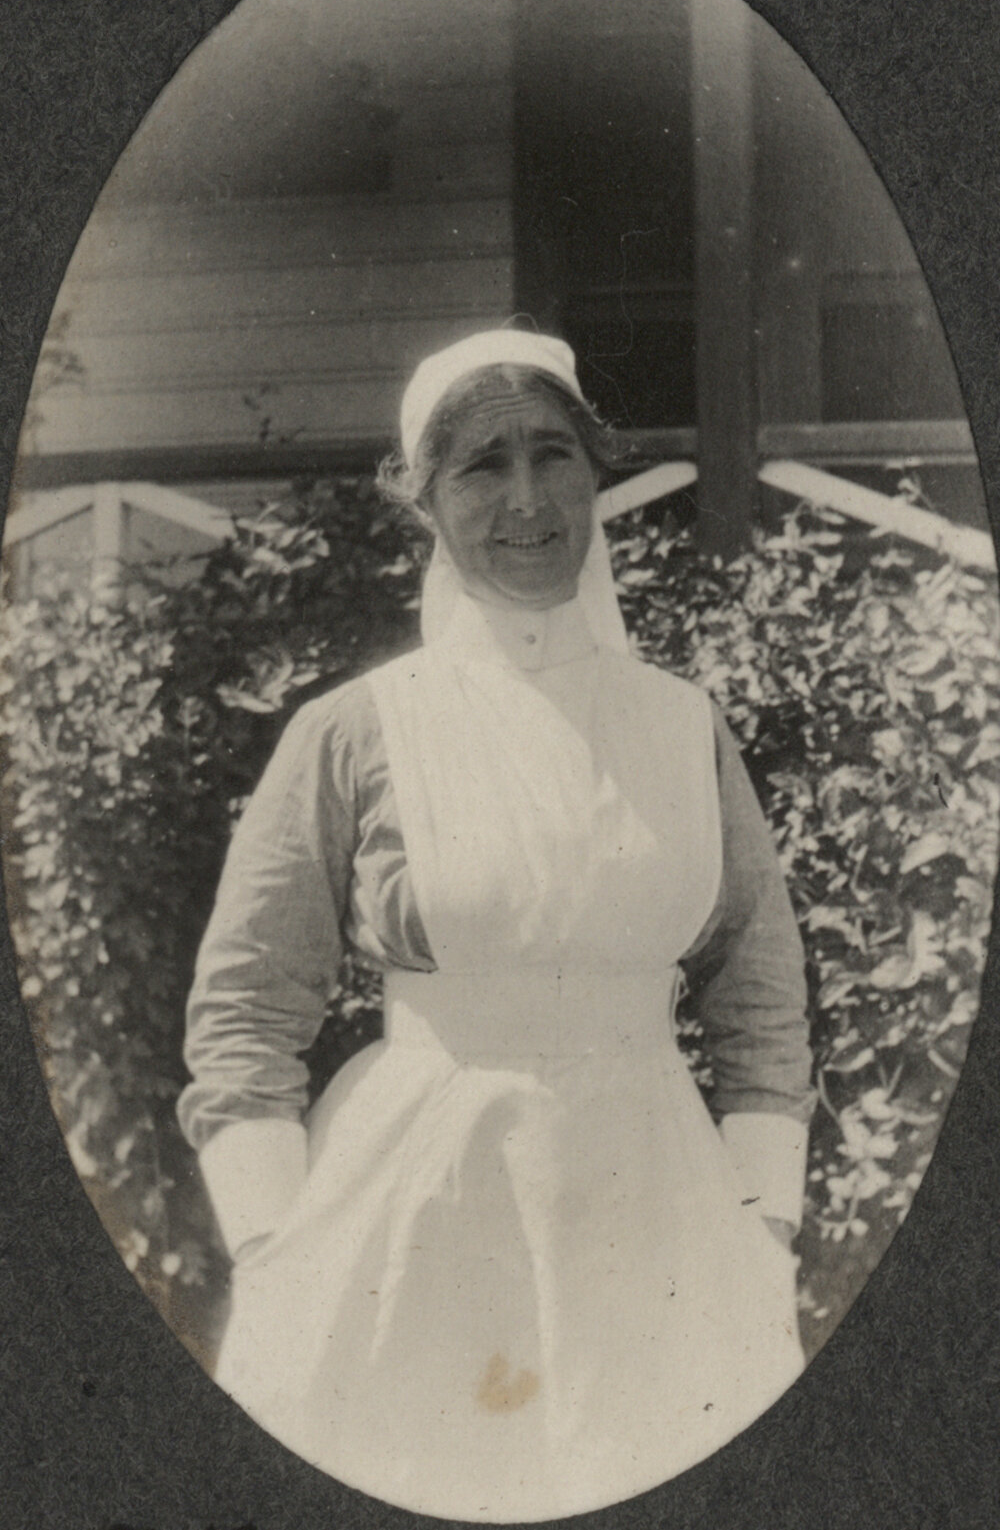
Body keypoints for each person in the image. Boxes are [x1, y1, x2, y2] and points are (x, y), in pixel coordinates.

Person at [177, 328, 814, 1522]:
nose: (525, 500)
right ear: (423, 500)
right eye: (479, 466)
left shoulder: (683, 725)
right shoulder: (356, 730)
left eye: (552, 455)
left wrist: (763, 1207)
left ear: (594, 475)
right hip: (418, 1208)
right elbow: (248, 1006)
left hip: (661, 1209)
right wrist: (271, 1238)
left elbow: (756, 981)